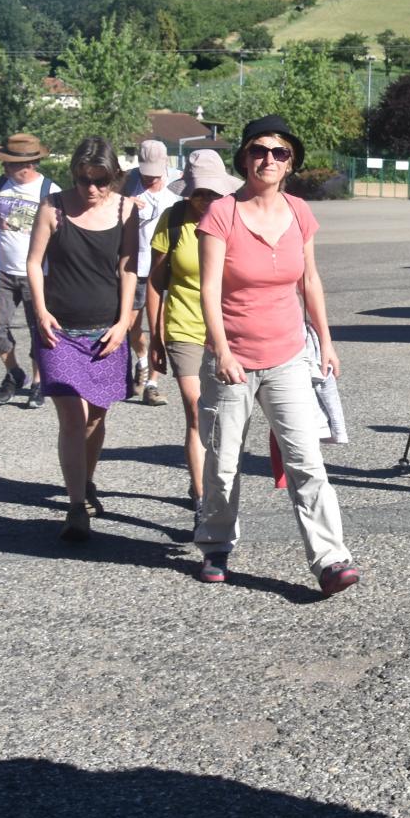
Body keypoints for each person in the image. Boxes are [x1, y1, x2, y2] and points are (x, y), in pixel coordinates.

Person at [190, 115, 358, 596]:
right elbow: (209, 288)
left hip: (287, 356)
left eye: (279, 153)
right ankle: (216, 543)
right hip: (233, 359)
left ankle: (330, 559)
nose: (268, 159)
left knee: (306, 460)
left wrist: (325, 341)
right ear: (244, 158)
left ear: (290, 163)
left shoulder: (300, 212)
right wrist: (220, 349)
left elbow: (310, 281)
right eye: (259, 151)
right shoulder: (221, 213)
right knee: (223, 462)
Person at [25, 136, 139, 542]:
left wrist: (125, 320)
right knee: (72, 417)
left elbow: (128, 268)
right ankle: (76, 507)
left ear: (114, 177)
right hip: (59, 329)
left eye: (100, 180)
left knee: (95, 418)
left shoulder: (127, 209)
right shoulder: (53, 207)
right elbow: (33, 264)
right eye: (83, 179)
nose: (91, 189)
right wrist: (40, 311)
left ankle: (85, 482)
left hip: (106, 329)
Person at [147, 149, 239, 513]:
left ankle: (219, 486)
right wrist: (154, 336)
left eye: (213, 193)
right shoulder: (173, 221)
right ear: (188, 191)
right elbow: (156, 282)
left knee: (225, 415)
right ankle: (203, 499)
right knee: (197, 409)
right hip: (184, 325)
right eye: (199, 193)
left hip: (228, 327)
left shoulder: (235, 219)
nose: (206, 200)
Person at [0, 133, 56, 410]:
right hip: (1, 270)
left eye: (10, 163)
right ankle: (14, 372)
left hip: (37, 272)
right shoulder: (1, 185)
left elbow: (58, 235)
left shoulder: (49, 190)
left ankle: (38, 382)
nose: (5, 168)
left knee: (39, 330)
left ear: (28, 164)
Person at [123, 139, 177, 405]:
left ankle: (152, 384)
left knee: (159, 327)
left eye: (155, 174)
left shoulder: (179, 182)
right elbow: (111, 210)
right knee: (131, 327)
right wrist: (125, 205)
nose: (150, 178)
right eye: (146, 172)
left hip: (167, 267)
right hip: (135, 265)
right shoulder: (129, 181)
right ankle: (141, 360)